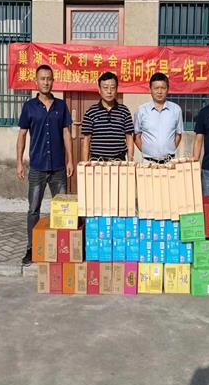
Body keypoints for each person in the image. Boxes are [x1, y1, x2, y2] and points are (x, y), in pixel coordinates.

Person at [17, 65, 73, 266]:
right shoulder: (29, 107)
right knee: (34, 209)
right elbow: (22, 135)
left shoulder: (61, 106)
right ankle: (31, 249)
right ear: (36, 81)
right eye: (42, 78)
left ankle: (63, 249)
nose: (46, 82)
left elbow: (66, 133)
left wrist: (70, 160)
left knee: (62, 209)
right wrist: (19, 162)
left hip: (58, 167)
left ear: (53, 81)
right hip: (37, 167)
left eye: (49, 78)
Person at [81, 71, 134, 161]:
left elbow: (129, 138)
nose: (109, 91)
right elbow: (86, 141)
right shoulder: (91, 112)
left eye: (112, 88)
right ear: (99, 89)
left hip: (119, 161)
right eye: (105, 88)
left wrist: (130, 161)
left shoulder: (124, 111)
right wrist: (85, 163)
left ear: (117, 89)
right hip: (97, 161)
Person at [134, 72, 183, 163]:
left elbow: (178, 135)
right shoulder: (141, 110)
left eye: (163, 88)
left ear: (167, 89)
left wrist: (169, 151)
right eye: (156, 88)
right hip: (148, 163)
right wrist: (146, 153)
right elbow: (136, 136)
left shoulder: (176, 110)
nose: (159, 92)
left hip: (169, 162)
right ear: (150, 89)